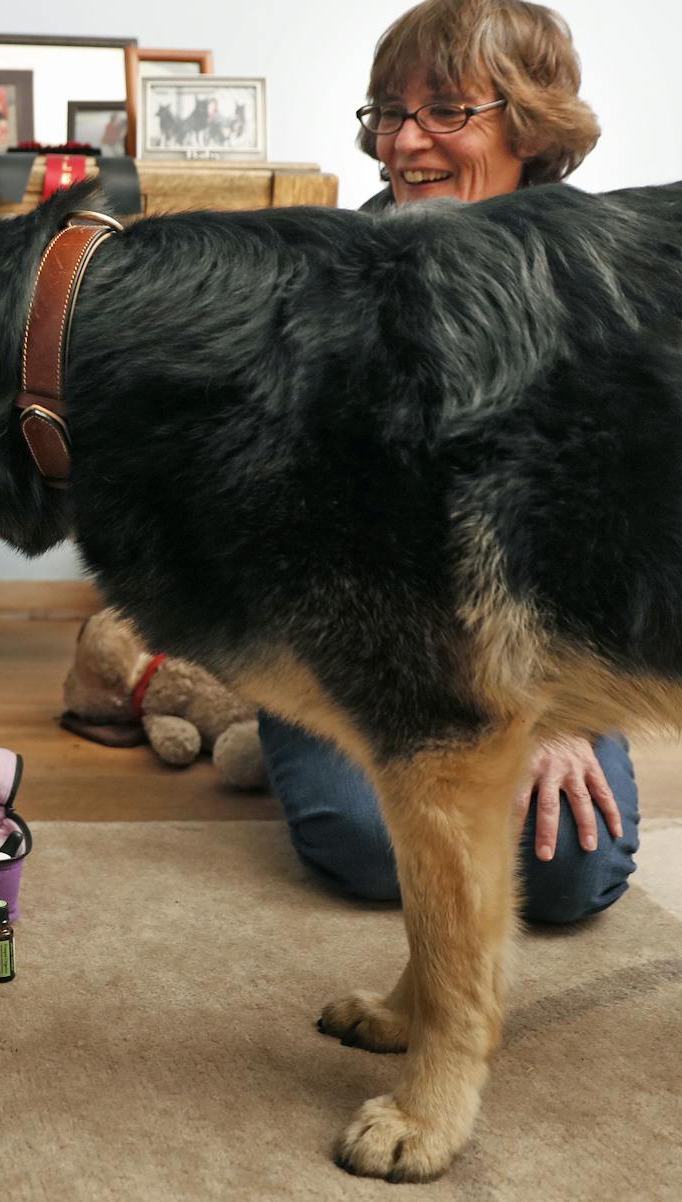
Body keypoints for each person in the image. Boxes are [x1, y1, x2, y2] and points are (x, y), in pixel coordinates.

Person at [258, 0, 640, 925]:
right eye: (387, 112)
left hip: (536, 644)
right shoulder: (324, 280)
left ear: (530, 125)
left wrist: (557, 720)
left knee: (565, 879)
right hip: (354, 626)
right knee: (370, 846)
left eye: (445, 111)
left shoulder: (596, 278)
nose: (403, 143)